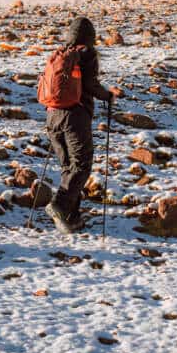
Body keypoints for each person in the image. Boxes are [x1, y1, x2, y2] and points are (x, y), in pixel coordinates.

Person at [44, 16, 120, 233]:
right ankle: (59, 204)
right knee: (82, 165)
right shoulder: (86, 53)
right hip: (75, 117)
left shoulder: (59, 55)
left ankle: (71, 217)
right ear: (90, 36)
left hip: (52, 117)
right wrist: (107, 95)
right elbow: (90, 84)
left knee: (69, 167)